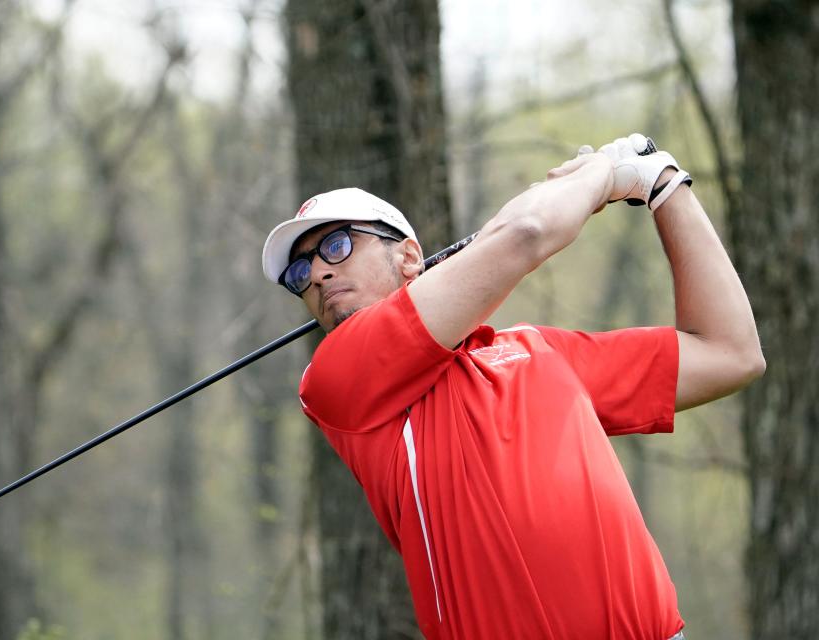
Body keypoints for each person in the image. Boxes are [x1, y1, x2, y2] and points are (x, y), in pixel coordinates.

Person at [260, 134, 764, 639]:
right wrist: (603, 175)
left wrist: (664, 186)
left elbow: (730, 353)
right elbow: (528, 229)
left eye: (337, 245)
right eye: (300, 272)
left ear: (410, 257)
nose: (319, 274)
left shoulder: (537, 350)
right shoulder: (337, 380)